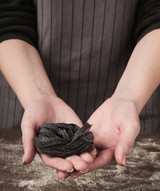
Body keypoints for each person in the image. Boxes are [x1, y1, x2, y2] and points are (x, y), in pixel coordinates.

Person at [0, 0, 160, 180]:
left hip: (136, 88)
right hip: (26, 87)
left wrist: (128, 96)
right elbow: (7, 16)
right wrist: (38, 96)